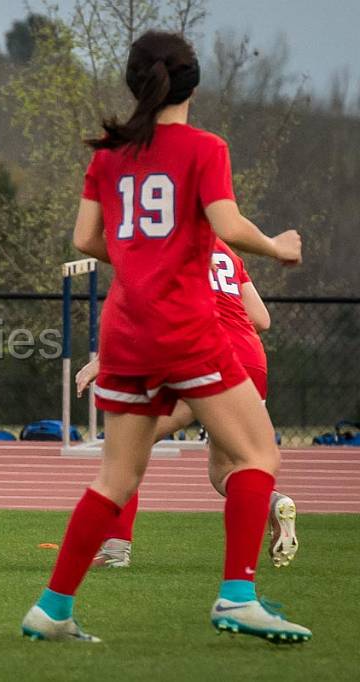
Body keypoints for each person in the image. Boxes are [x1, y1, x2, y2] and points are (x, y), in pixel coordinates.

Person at [20, 31, 311, 643]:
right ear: (193, 84)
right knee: (258, 455)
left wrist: (137, 256)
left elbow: (83, 240)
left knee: (116, 479)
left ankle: (52, 609)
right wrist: (277, 246)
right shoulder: (204, 146)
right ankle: (236, 596)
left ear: (135, 83)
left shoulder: (109, 154)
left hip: (126, 328)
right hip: (182, 327)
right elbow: (227, 223)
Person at [75, 238, 298, 569]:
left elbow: (146, 311)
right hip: (249, 358)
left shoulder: (168, 244)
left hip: (200, 354)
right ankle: (272, 502)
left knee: (128, 445)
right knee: (226, 469)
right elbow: (261, 319)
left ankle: (116, 549)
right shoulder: (228, 253)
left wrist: (101, 362)